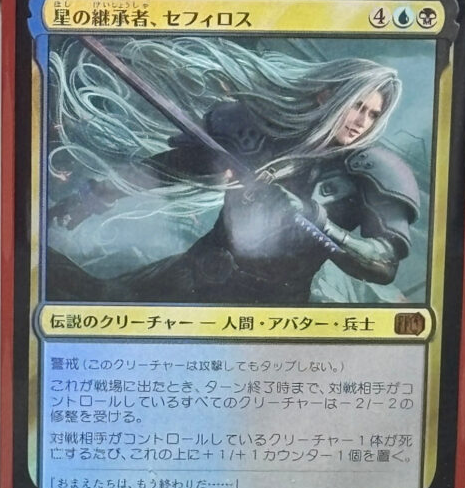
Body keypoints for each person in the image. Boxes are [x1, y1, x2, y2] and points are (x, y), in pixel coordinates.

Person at [45, 35, 420, 305]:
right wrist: (93, 196)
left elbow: (383, 262)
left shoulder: (371, 170)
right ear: (327, 96)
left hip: (272, 302)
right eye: (357, 106)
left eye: (373, 114)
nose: (362, 121)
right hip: (198, 269)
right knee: (93, 299)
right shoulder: (260, 133)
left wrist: (317, 220)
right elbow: (171, 168)